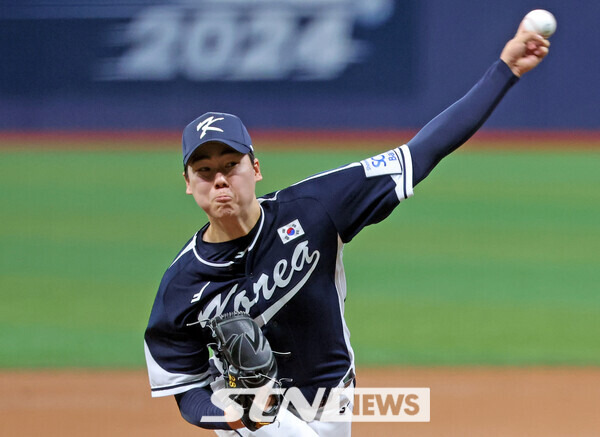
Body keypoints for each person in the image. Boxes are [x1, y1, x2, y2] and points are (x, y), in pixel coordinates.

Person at [144, 22, 550, 436]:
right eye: (205, 170)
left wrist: (505, 70)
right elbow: (187, 387)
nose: (220, 180)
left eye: (231, 165)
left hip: (333, 400)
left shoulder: (314, 209)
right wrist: (233, 414)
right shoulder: (183, 283)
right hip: (257, 416)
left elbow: (422, 152)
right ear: (189, 183)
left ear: (256, 168)